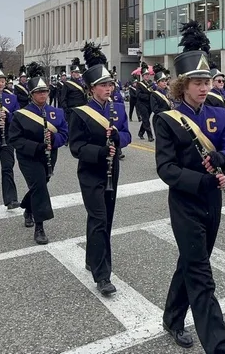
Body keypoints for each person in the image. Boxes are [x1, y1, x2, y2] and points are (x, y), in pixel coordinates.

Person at [155, 20, 225, 353]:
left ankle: (172, 316)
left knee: (193, 260)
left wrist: (224, 161)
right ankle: (221, 347)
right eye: (197, 82)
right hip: (184, 202)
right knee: (201, 275)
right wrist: (203, 178)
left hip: (213, 201)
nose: (204, 87)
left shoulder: (220, 114)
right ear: (182, 85)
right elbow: (166, 169)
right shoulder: (166, 119)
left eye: (207, 81)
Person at [69, 42, 131, 296]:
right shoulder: (81, 113)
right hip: (90, 172)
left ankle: (91, 258)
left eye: (110, 84)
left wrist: (117, 138)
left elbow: (127, 136)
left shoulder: (117, 109)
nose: (108, 89)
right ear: (92, 88)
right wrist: (101, 151)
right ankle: (102, 275)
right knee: (99, 219)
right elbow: (76, 147)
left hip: (112, 171)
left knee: (105, 217)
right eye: (103, 85)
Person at [9, 62, 68, 243]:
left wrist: (53, 142)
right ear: (31, 94)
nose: (42, 95)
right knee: (40, 185)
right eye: (38, 92)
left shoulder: (56, 113)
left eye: (45, 91)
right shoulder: (21, 115)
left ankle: (28, 208)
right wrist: (37, 146)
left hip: (50, 155)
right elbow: (15, 139)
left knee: (40, 185)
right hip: (29, 156)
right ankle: (40, 227)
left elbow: (65, 134)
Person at [0, 63, 20, 210]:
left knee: (7, 167)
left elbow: (18, 117)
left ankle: (11, 199)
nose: (0, 84)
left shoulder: (11, 98)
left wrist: (8, 116)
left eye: (2, 81)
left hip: (6, 137)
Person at [60, 58, 87, 124]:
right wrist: (67, 110)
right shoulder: (67, 84)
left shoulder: (82, 84)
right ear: (72, 73)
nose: (77, 74)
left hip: (82, 110)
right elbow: (63, 99)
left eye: (78, 72)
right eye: (75, 72)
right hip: (72, 111)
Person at [150, 67, 171, 132]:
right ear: (157, 83)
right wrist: (166, 111)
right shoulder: (154, 94)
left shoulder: (167, 92)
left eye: (165, 81)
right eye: (162, 81)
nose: (165, 83)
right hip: (159, 119)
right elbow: (155, 109)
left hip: (168, 118)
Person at [136, 65, 154, 141]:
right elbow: (139, 95)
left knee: (145, 119)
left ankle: (140, 133)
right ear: (143, 76)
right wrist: (148, 96)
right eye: (146, 75)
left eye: (148, 75)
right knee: (146, 119)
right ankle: (150, 136)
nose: (147, 76)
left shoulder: (151, 83)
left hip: (149, 104)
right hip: (142, 104)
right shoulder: (139, 84)